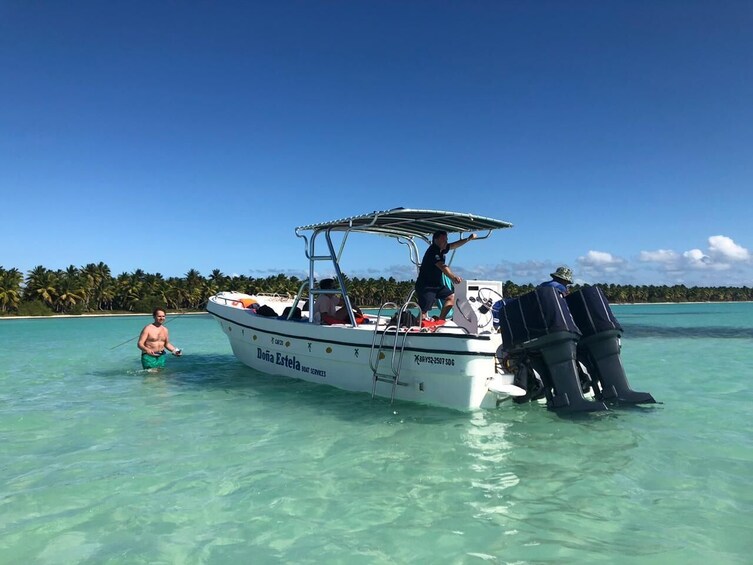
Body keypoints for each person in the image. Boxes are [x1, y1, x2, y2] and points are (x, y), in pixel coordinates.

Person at [415, 230, 477, 321]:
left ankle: (441, 320)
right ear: (436, 240)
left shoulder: (442, 249)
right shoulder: (433, 251)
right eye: (444, 239)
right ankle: (415, 327)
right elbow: (442, 266)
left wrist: (468, 239)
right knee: (423, 312)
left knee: (451, 297)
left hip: (436, 285)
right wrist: (453, 277)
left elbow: (454, 245)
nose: (446, 241)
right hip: (426, 286)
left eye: (446, 239)